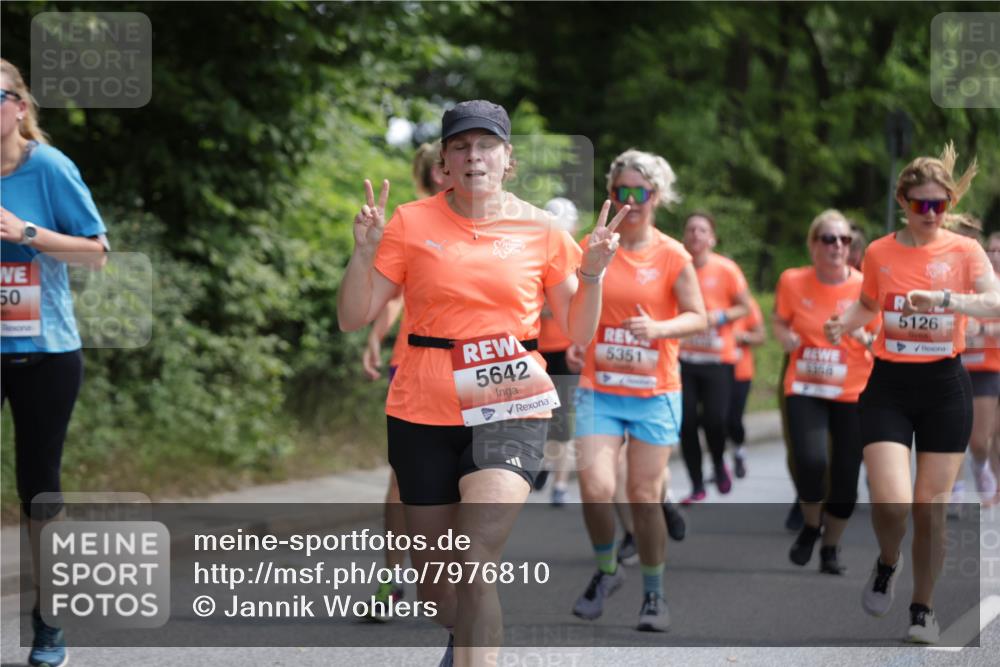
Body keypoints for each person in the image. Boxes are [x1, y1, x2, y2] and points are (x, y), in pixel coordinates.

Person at [337, 99, 626, 665]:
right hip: (421, 406)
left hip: (509, 397)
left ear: (507, 158)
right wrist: (363, 253)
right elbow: (353, 316)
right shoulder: (410, 222)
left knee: (474, 562)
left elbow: (577, 329)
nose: (474, 156)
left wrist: (591, 274)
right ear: (444, 162)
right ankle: (464, 631)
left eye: (487, 145)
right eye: (461, 147)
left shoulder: (543, 229)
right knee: (437, 590)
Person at [824, 142, 999, 644]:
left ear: (949, 204)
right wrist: (844, 323)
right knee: (891, 503)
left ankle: (923, 609)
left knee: (930, 509)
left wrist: (943, 299)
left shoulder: (964, 251)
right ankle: (887, 561)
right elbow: (868, 304)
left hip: (945, 387)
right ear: (903, 201)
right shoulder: (880, 251)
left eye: (939, 204)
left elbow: (995, 302)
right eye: (921, 203)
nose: (931, 212)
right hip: (889, 387)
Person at [1, 58, 109, 667]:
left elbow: (96, 253)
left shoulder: (49, 168)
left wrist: (27, 233)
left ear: (19, 107)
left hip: (44, 352)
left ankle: (50, 621)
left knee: (39, 489)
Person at [570, 148, 706, 632]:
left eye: (640, 192)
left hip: (654, 392)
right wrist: (576, 338)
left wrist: (659, 329)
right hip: (600, 387)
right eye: (620, 191)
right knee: (595, 487)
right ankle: (608, 570)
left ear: (657, 196)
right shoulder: (593, 244)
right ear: (610, 193)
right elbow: (574, 301)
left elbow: (698, 317)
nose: (630, 201)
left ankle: (654, 593)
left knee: (644, 495)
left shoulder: (672, 254)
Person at [360, 141, 448, 620]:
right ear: (437, 172)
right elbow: (392, 291)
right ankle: (393, 579)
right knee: (402, 479)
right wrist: (376, 337)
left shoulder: (488, 222)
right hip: (414, 363)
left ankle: (449, 580)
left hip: (472, 371)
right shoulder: (411, 222)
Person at [773, 210, 876, 575]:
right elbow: (780, 320)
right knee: (811, 461)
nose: (837, 246)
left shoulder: (866, 286)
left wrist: (861, 336)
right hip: (806, 387)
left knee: (845, 478)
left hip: (852, 392)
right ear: (813, 244)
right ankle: (811, 525)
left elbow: (880, 338)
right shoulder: (792, 281)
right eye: (829, 239)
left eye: (844, 240)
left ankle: (830, 548)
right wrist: (785, 337)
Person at [677, 212, 751, 503]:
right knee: (686, 424)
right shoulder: (676, 266)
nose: (695, 234)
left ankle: (719, 462)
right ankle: (697, 484)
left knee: (715, 420)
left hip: (718, 360)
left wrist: (719, 316)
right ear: (684, 236)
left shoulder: (726, 269)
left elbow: (744, 307)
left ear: (712, 238)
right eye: (691, 229)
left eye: (702, 230)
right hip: (684, 359)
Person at [535, 197, 582, 507]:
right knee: (539, 417)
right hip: (535, 350)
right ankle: (543, 462)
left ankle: (561, 484)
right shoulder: (532, 256)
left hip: (566, 350)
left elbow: (584, 306)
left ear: (574, 228)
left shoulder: (580, 259)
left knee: (562, 421)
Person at [728, 295, 766, 478]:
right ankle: (719, 464)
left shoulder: (747, 304)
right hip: (714, 371)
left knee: (734, 418)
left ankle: (738, 452)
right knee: (715, 418)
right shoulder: (707, 299)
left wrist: (741, 337)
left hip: (740, 372)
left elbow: (761, 337)